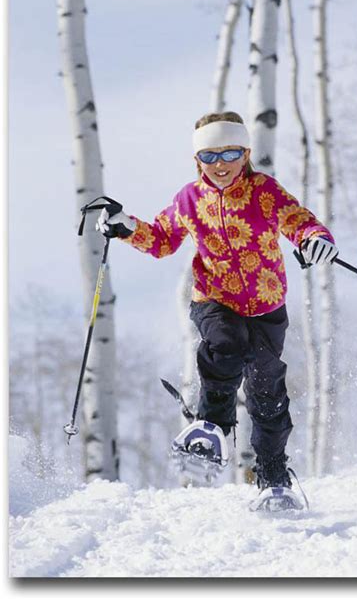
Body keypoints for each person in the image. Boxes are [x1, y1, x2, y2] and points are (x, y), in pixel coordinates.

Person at [98, 111, 338, 505]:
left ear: (245, 153)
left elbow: (300, 222)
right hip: (215, 300)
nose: (220, 165)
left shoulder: (265, 191)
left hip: (266, 307)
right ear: (198, 161)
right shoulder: (189, 199)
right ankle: (211, 426)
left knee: (267, 388)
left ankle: (273, 477)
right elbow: (161, 240)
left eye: (229, 153)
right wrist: (125, 227)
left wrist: (315, 239)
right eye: (210, 156)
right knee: (226, 343)